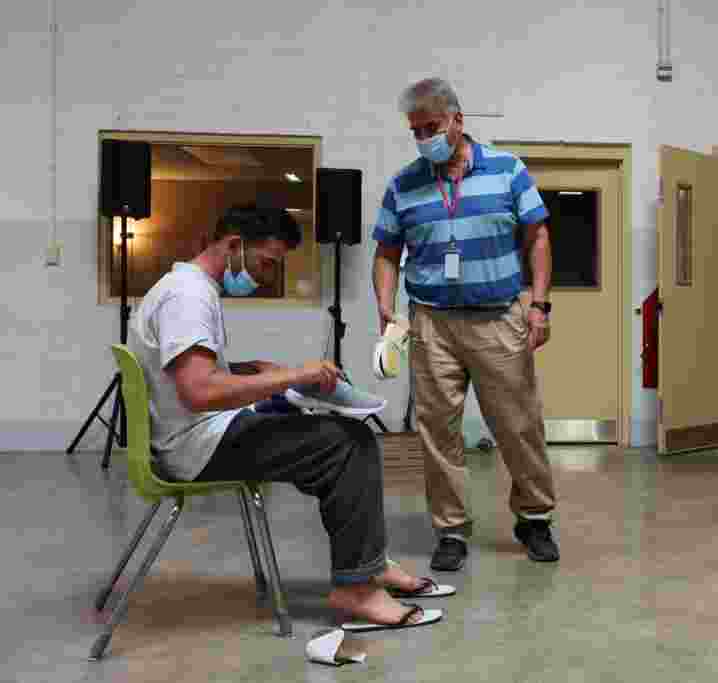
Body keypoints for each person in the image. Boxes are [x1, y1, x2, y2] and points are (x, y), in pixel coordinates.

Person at [127, 203, 445, 630]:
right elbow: (198, 391)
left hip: (194, 436)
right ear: (234, 245)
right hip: (196, 447)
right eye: (266, 262)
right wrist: (295, 376)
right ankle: (358, 586)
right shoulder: (188, 296)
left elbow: (188, 375)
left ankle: (368, 564)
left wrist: (253, 370)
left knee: (332, 439)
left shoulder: (184, 287)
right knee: (348, 444)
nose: (266, 275)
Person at [371, 78, 559, 571]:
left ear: (457, 119)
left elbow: (538, 238)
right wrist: (386, 306)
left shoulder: (507, 169)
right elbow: (386, 253)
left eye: (430, 127)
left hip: (499, 318)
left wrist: (539, 305)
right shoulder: (404, 185)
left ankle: (534, 518)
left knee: (518, 425)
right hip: (431, 323)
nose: (423, 138)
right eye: (415, 131)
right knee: (438, 431)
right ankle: (450, 529)